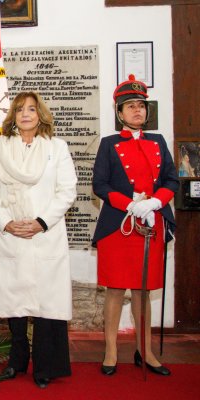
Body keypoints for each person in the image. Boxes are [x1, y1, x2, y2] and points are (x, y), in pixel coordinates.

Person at [0, 91, 77, 389]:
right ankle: (16, 361)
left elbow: (67, 191)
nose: (26, 114)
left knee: (47, 302)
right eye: (20, 109)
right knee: (16, 302)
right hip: (12, 234)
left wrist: (41, 222)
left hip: (45, 234)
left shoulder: (56, 148)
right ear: (13, 116)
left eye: (32, 109)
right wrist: (7, 223)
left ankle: (45, 366)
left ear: (40, 115)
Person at [92, 74, 178, 377]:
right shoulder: (108, 143)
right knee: (115, 289)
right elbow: (99, 185)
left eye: (141, 105)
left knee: (144, 290)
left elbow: (171, 179)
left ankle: (146, 351)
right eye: (130, 106)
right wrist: (129, 203)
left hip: (151, 223)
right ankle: (112, 350)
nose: (137, 111)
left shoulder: (158, 141)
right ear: (119, 113)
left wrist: (156, 203)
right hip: (119, 225)